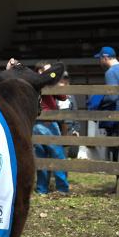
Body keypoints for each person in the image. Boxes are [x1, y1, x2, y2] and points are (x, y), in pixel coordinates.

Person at [90, 46, 119, 192]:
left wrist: (97, 102)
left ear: (105, 58)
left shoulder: (111, 72)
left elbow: (112, 95)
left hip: (118, 115)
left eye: (99, 59)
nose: (99, 62)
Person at [32, 60, 70, 195]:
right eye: (48, 70)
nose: (51, 74)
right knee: (57, 155)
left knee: (41, 155)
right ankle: (62, 188)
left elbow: (63, 96)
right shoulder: (42, 83)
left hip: (37, 123)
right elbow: (63, 96)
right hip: (47, 122)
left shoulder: (36, 82)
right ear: (40, 71)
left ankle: (42, 189)